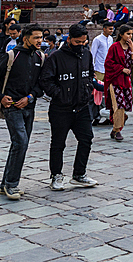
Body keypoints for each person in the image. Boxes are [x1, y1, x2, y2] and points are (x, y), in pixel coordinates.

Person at [0, 24, 45, 199]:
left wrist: (31, 96)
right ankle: (11, 185)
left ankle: (6, 183)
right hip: (11, 107)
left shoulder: (40, 57)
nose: (39, 41)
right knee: (20, 142)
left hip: (29, 106)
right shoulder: (12, 55)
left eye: (41, 37)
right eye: (35, 37)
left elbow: (41, 84)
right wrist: (0, 96)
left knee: (20, 145)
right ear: (25, 38)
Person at [39, 23, 98, 190]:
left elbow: (90, 73)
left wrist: (88, 89)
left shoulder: (86, 54)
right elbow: (46, 81)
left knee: (86, 139)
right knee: (58, 143)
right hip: (61, 108)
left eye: (83, 42)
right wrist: (60, 94)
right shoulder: (56, 57)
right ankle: (56, 175)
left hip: (82, 106)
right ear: (69, 39)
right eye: (78, 42)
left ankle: (80, 174)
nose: (81, 45)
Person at [103, 24, 133, 141]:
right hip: (115, 79)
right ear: (121, 34)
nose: (130, 36)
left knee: (125, 105)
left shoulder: (130, 46)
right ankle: (118, 130)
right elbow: (108, 63)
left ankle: (114, 128)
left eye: (131, 34)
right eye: (128, 34)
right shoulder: (114, 47)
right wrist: (121, 68)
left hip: (126, 80)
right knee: (118, 105)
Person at [89, 22, 114, 125]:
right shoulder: (97, 39)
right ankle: (96, 115)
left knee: (108, 93)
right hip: (98, 69)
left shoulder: (111, 39)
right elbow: (92, 54)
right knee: (97, 93)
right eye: (109, 29)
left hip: (108, 69)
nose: (111, 31)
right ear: (104, 29)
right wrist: (92, 70)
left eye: (112, 29)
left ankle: (107, 115)